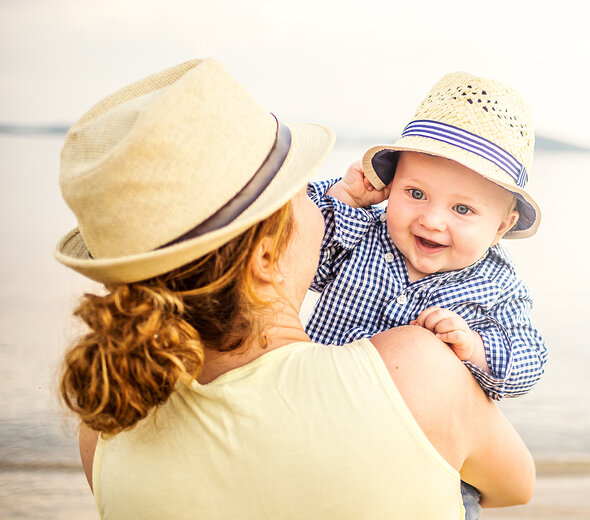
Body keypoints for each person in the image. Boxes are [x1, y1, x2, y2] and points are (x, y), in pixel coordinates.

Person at [56, 59, 534, 519]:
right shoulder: (421, 370)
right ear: (266, 257)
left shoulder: (106, 424)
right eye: (299, 189)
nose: (317, 195)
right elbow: (517, 486)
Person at [305, 72, 547, 519]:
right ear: (390, 187)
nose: (432, 221)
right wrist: (344, 197)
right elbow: (301, 243)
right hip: (325, 422)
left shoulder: (498, 287)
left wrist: (475, 348)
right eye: (416, 194)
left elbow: (529, 362)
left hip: (428, 460)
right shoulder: (364, 234)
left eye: (462, 209)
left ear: (501, 227)